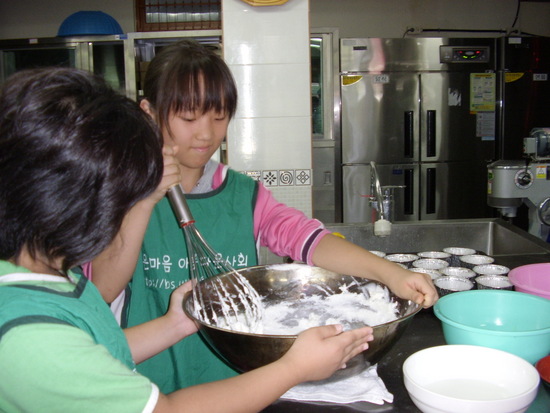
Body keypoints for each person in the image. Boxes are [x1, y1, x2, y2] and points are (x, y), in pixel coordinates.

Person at [0, 67, 374, 413]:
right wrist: (295, 367)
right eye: (121, 195)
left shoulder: (53, 280)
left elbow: (98, 349)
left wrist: (175, 324)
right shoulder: (29, 336)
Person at [90, 39, 438, 393]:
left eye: (219, 116)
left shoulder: (244, 196)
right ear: (149, 112)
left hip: (236, 385)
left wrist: (391, 273)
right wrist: (143, 201)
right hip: (146, 387)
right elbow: (101, 289)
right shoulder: (119, 195)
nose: (206, 133)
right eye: (188, 117)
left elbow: (309, 241)